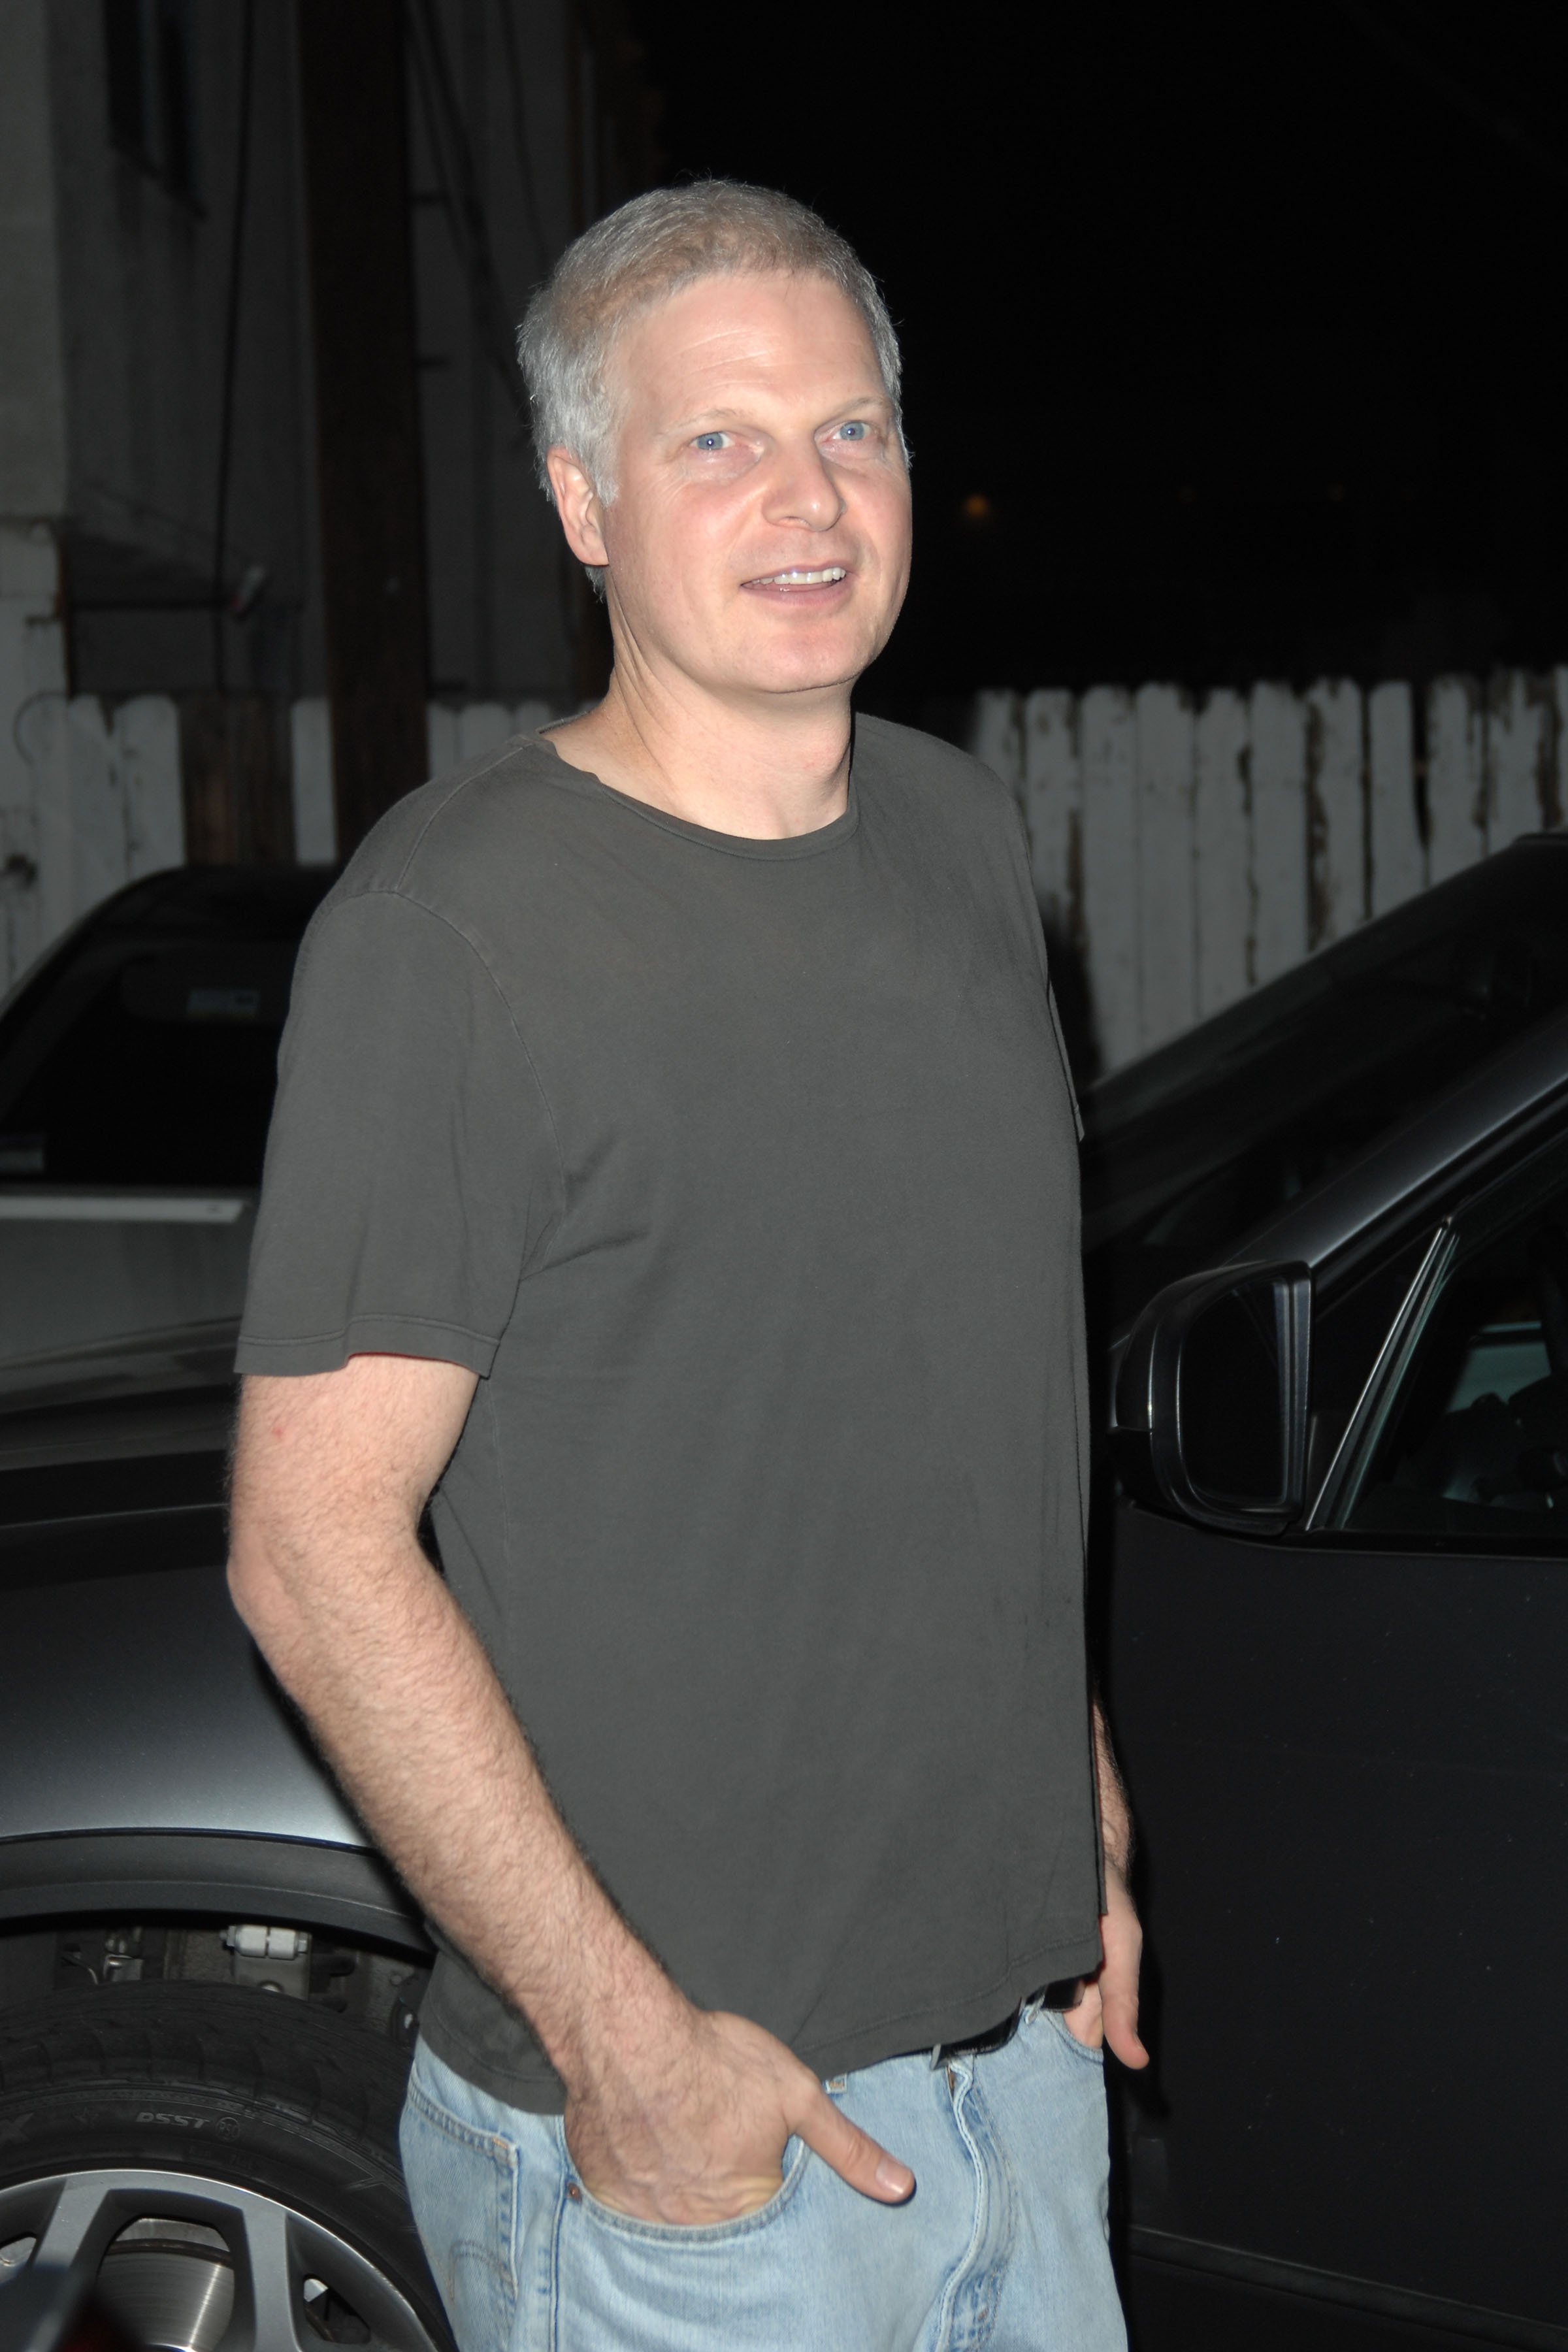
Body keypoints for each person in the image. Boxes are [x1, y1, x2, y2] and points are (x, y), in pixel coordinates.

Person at [227, 179, 1145, 2352]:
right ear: (580, 502)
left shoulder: (963, 840)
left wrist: (1077, 1819)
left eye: (852, 430)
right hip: (696, 2171)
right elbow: (312, 1548)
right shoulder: (452, 936)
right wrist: (626, 2047)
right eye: (714, 443)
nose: (808, 499)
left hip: (1022, 2082)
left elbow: (959, 1390)